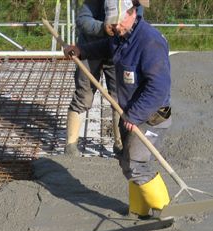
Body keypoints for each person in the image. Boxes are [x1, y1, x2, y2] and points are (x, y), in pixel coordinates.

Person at [63, 0, 171, 218]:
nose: (116, 29)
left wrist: (134, 114)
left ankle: (165, 211)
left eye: (118, 23)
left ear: (131, 13)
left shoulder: (149, 42)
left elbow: (158, 88)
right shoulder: (121, 36)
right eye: (112, 24)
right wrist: (81, 50)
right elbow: (105, 47)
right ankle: (139, 210)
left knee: (136, 164)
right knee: (125, 161)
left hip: (152, 116)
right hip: (130, 112)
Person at [65, 0, 142, 156]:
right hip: (89, 50)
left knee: (120, 98)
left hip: (116, 50)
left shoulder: (136, 4)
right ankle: (71, 145)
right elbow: (82, 20)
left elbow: (137, 25)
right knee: (84, 97)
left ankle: (120, 144)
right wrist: (102, 28)